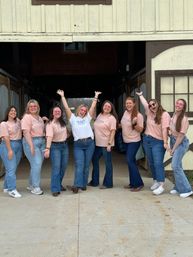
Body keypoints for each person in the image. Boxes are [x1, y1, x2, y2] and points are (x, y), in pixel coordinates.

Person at [57, 89, 101, 193]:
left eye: (85, 111)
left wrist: (96, 96)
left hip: (90, 143)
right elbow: (67, 108)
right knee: (79, 164)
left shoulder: (87, 118)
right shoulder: (72, 118)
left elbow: (93, 107)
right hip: (78, 145)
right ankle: (77, 185)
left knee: (86, 165)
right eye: (82, 110)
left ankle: (83, 184)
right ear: (78, 110)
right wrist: (62, 96)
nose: (84, 112)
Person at [136, 91, 170, 195]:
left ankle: (161, 185)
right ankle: (155, 180)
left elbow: (165, 129)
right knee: (151, 162)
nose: (151, 106)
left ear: (158, 104)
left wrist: (165, 142)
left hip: (158, 142)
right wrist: (141, 95)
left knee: (158, 163)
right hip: (147, 140)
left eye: (153, 104)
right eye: (150, 105)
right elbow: (144, 103)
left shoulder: (165, 115)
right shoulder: (149, 112)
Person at [88, 100, 118, 189]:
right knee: (94, 161)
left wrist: (109, 144)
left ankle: (108, 184)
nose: (107, 107)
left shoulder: (112, 118)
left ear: (111, 108)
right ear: (102, 106)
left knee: (108, 163)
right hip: (97, 144)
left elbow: (113, 132)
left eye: (109, 107)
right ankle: (95, 181)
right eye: (105, 106)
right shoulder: (100, 115)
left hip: (106, 144)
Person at [169, 99, 193, 198]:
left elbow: (180, 137)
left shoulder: (184, 119)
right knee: (178, 164)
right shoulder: (174, 114)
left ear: (183, 107)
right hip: (173, 140)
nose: (178, 105)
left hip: (181, 143)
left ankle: (187, 189)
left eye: (181, 104)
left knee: (175, 166)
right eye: (177, 103)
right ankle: (178, 187)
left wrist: (173, 149)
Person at [21, 99, 46, 195]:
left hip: (41, 142)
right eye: (31, 106)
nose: (33, 108)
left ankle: (31, 184)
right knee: (37, 164)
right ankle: (36, 187)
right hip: (31, 142)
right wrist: (31, 145)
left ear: (38, 107)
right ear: (28, 108)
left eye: (35, 106)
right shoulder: (27, 117)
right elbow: (26, 132)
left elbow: (41, 130)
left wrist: (45, 121)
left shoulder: (39, 118)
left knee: (36, 165)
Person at [44, 105, 69, 197]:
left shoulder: (62, 122)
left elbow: (66, 133)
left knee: (63, 167)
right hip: (55, 147)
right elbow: (49, 136)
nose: (57, 112)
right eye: (55, 111)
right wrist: (47, 148)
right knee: (56, 168)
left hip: (64, 146)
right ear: (52, 113)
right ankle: (55, 189)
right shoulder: (50, 124)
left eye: (59, 111)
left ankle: (58, 184)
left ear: (61, 113)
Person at [121, 97, 144, 191]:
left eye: (130, 103)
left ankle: (139, 183)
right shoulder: (125, 113)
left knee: (130, 160)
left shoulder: (138, 115)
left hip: (134, 141)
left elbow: (140, 130)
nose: (128, 105)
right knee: (131, 162)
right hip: (126, 141)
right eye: (127, 103)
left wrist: (134, 124)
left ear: (134, 104)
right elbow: (123, 125)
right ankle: (132, 183)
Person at [0, 106, 22, 198]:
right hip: (8, 145)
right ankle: (12, 189)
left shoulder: (18, 121)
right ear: (7, 112)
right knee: (11, 169)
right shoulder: (4, 124)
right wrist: (9, 150)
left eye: (15, 111)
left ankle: (6, 186)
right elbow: (5, 137)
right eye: (11, 110)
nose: (13, 112)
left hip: (18, 145)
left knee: (12, 168)